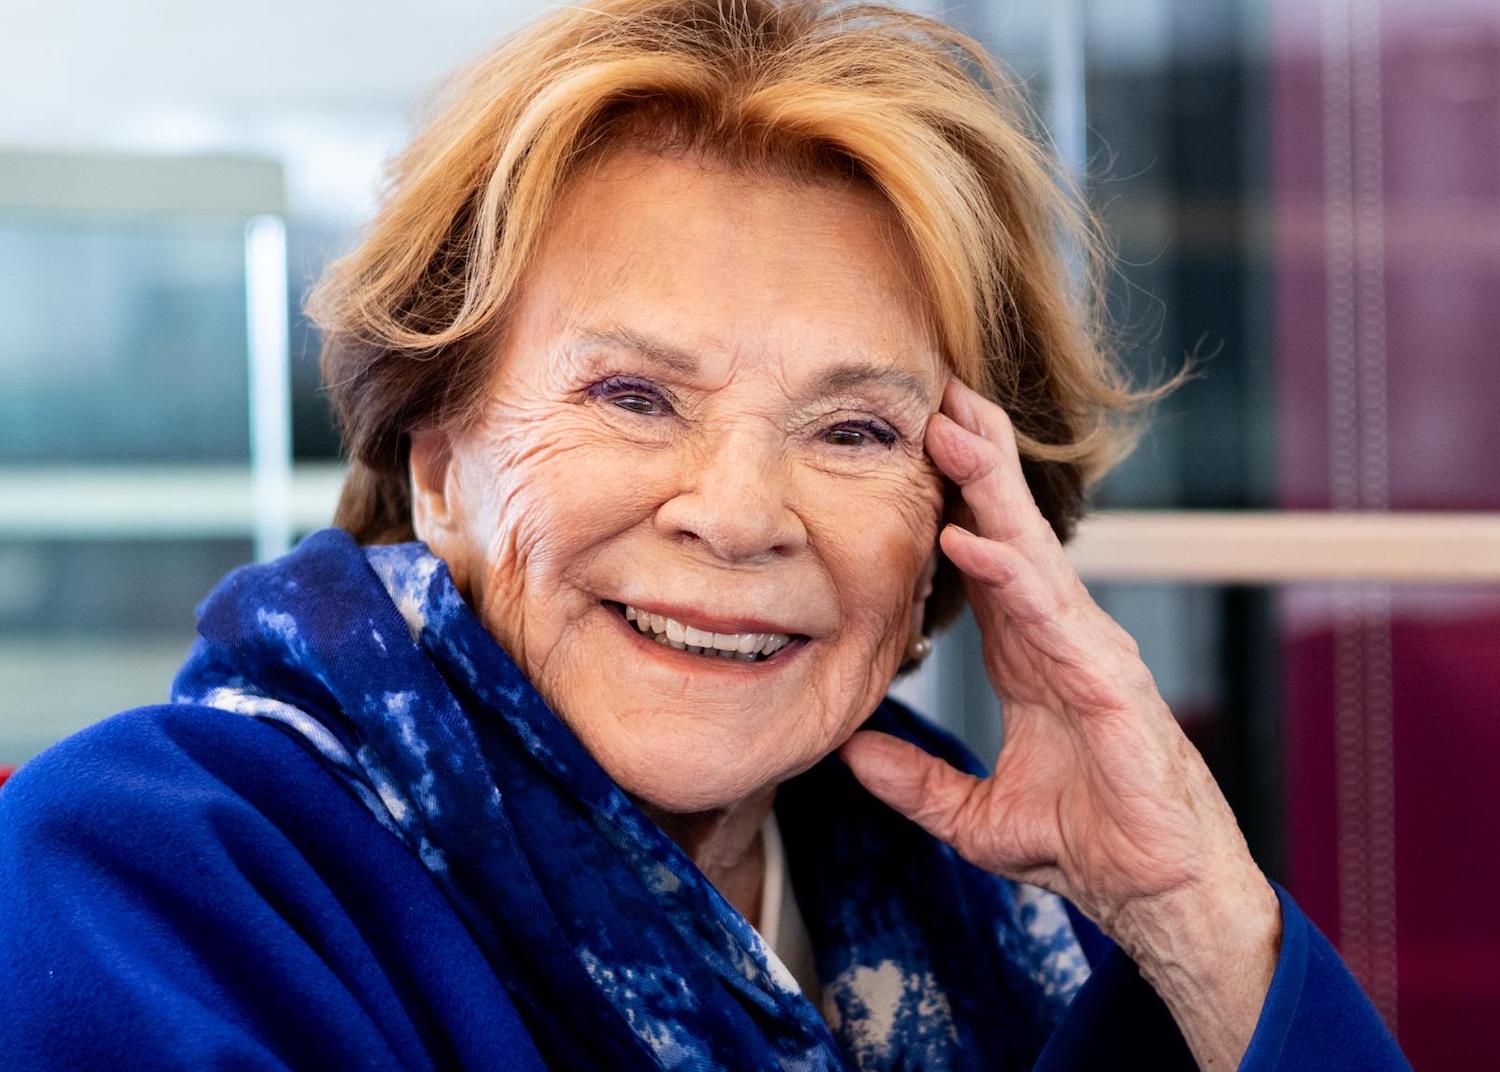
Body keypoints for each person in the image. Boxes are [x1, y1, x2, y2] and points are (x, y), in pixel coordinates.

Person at [0, 1, 1410, 1068]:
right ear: (437, 467)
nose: (737, 517)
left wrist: (1197, 914)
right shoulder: (144, 874)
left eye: (853, 431)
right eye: (634, 396)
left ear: (962, 524)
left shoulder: (1019, 915)